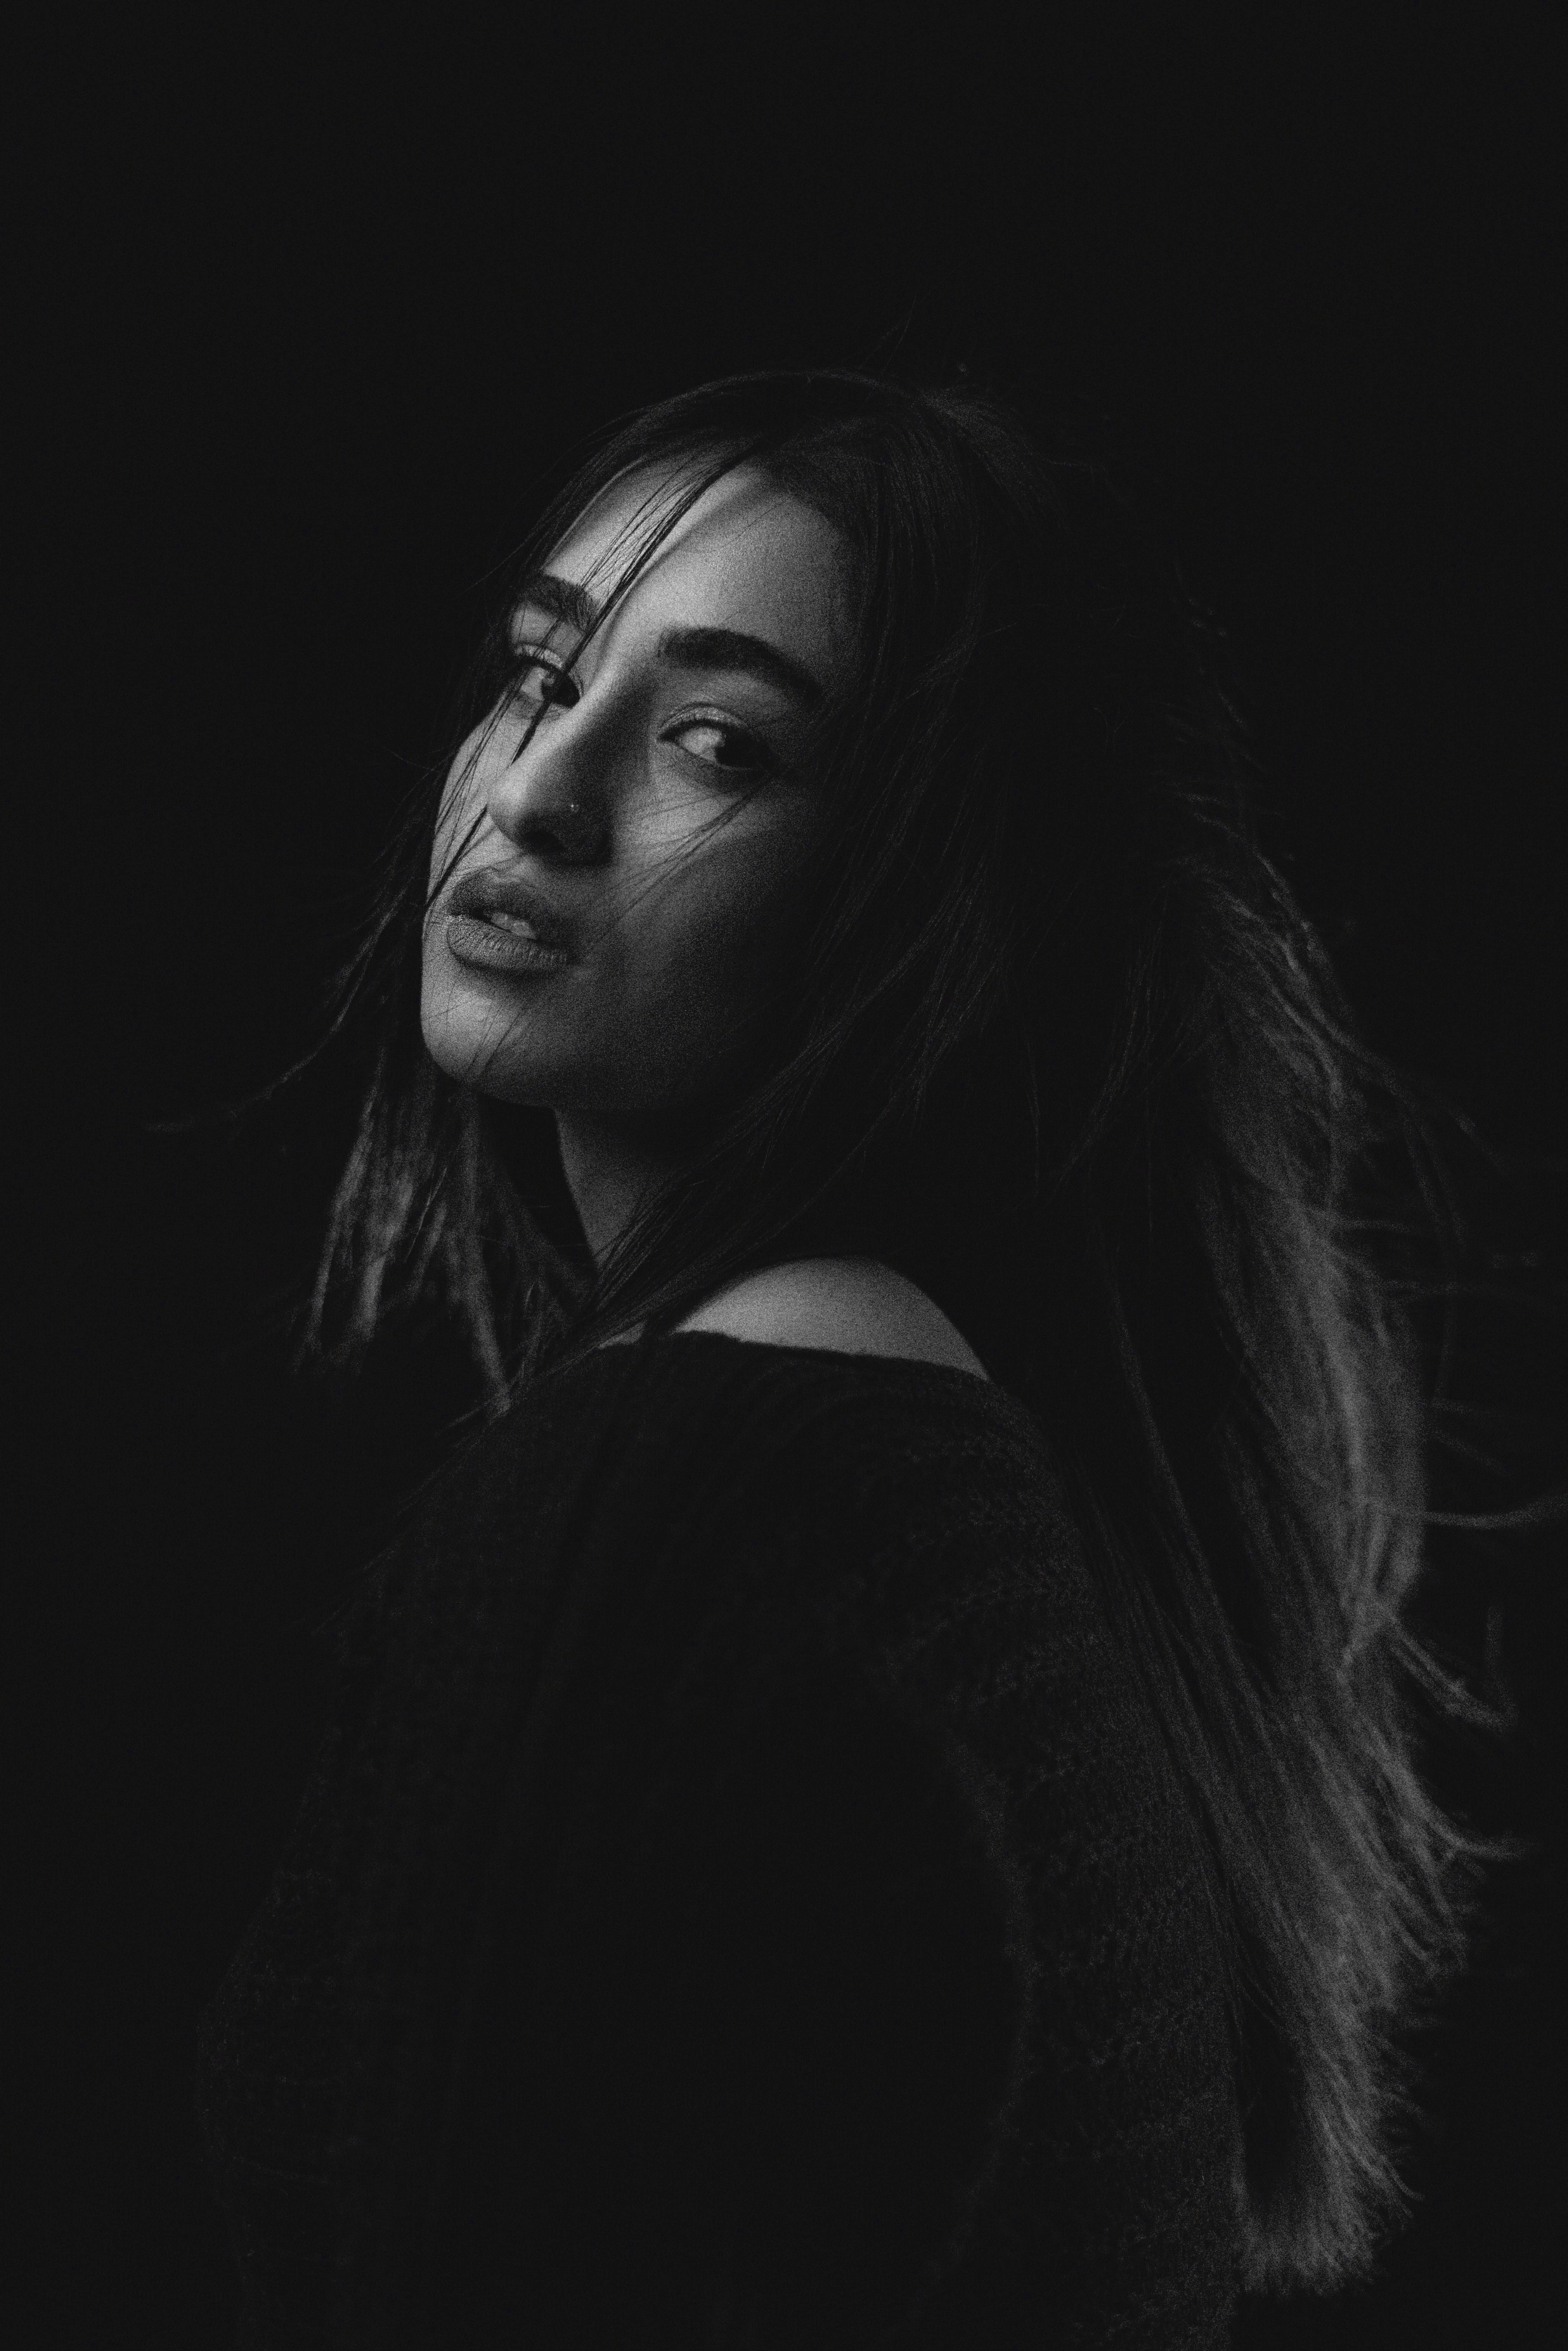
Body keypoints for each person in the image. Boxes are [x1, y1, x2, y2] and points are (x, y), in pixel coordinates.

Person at [194, 367, 1509, 2348]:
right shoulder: (923, 1468)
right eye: (542, 676)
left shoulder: (718, 1484)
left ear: (932, 900)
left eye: (716, 744)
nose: (539, 790)